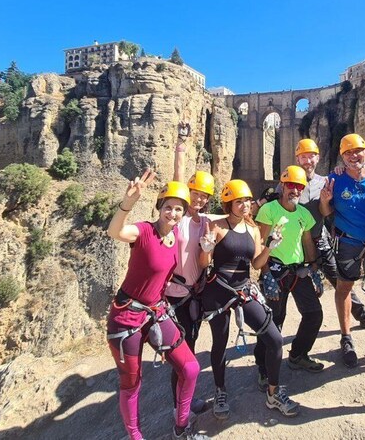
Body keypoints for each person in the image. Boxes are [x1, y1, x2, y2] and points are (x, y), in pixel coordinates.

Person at [105, 171, 208, 440]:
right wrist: (127, 202)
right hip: (126, 316)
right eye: (167, 208)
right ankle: (135, 436)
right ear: (159, 208)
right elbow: (115, 231)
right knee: (131, 383)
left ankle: (181, 426)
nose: (172, 213)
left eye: (178, 209)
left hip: (156, 312)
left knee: (190, 368)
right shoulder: (144, 231)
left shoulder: (177, 239)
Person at [199, 179, 300, 419]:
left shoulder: (252, 228)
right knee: (220, 342)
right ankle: (220, 390)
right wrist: (204, 250)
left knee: (275, 339)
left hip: (244, 288)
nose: (245, 205)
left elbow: (256, 263)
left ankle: (273, 394)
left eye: (247, 200)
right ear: (228, 204)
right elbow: (204, 264)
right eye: (239, 201)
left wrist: (270, 248)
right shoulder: (218, 227)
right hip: (219, 291)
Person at [288, 138, 365, 330]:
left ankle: (362, 315)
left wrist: (341, 170)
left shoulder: (327, 181)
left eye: (311, 157)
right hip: (293, 246)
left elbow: (327, 211)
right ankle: (274, 330)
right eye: (303, 157)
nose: (307, 161)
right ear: (297, 159)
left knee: (341, 281)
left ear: (318, 158)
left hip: (320, 240)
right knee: (291, 286)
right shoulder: (288, 183)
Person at [319, 134, 365, 368]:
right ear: (342, 156)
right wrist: (326, 201)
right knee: (344, 287)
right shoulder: (334, 179)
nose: (353, 156)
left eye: (357, 151)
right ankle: (346, 337)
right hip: (349, 243)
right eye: (348, 153)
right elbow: (326, 212)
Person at [254, 165, 324, 384]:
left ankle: (298, 355)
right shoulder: (270, 210)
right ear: (283, 186)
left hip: (297, 271)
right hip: (274, 270)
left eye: (299, 187)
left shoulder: (303, 214)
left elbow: (306, 242)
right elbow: (260, 243)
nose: (295, 190)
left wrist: (313, 268)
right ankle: (263, 367)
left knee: (314, 314)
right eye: (291, 185)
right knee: (273, 321)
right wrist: (265, 274)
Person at [166, 126, 214, 416]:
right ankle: (179, 406)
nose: (198, 199)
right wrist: (181, 147)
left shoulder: (205, 222)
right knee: (182, 354)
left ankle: (185, 399)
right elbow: (177, 181)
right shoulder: (179, 218)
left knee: (191, 346)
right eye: (195, 193)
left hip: (195, 294)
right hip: (174, 295)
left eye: (204, 196)